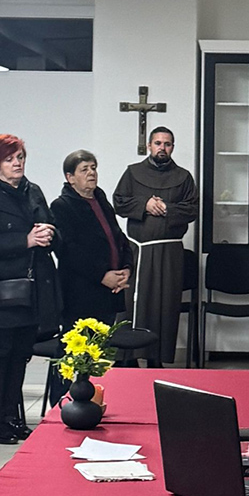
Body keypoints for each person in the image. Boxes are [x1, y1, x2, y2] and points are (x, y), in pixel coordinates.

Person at [0, 135, 60, 445]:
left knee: (21, 353)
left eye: (20, 157)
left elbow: (50, 227)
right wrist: (25, 240)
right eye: (9, 159)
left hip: (35, 286)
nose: (17, 163)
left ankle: (12, 416)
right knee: (1, 353)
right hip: (2, 288)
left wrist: (49, 232)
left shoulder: (33, 190)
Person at [113, 127, 198, 366]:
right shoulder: (133, 172)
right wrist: (145, 205)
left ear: (173, 148)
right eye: (158, 143)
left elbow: (192, 209)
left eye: (167, 144)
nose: (162, 148)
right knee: (131, 303)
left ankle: (156, 357)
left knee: (164, 305)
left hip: (168, 253)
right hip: (137, 251)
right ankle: (127, 357)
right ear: (149, 146)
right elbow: (119, 202)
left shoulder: (183, 177)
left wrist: (167, 208)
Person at [52, 150, 133, 326]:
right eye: (84, 169)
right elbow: (69, 251)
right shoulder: (61, 206)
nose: (91, 173)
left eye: (93, 168)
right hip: (81, 295)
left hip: (110, 292)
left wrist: (126, 269)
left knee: (106, 341)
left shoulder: (101, 200)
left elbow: (118, 238)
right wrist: (102, 275)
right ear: (70, 177)